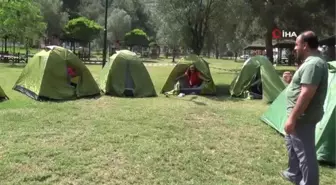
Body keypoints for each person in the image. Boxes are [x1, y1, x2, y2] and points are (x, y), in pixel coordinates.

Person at [280, 31, 328, 185]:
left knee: (305, 154)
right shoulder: (310, 63)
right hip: (299, 115)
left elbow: (306, 94)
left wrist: (292, 118)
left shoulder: (314, 64)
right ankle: (294, 174)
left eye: (296, 45)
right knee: (292, 145)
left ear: (305, 46)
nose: (295, 48)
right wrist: (290, 82)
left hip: (303, 117)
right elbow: (301, 88)